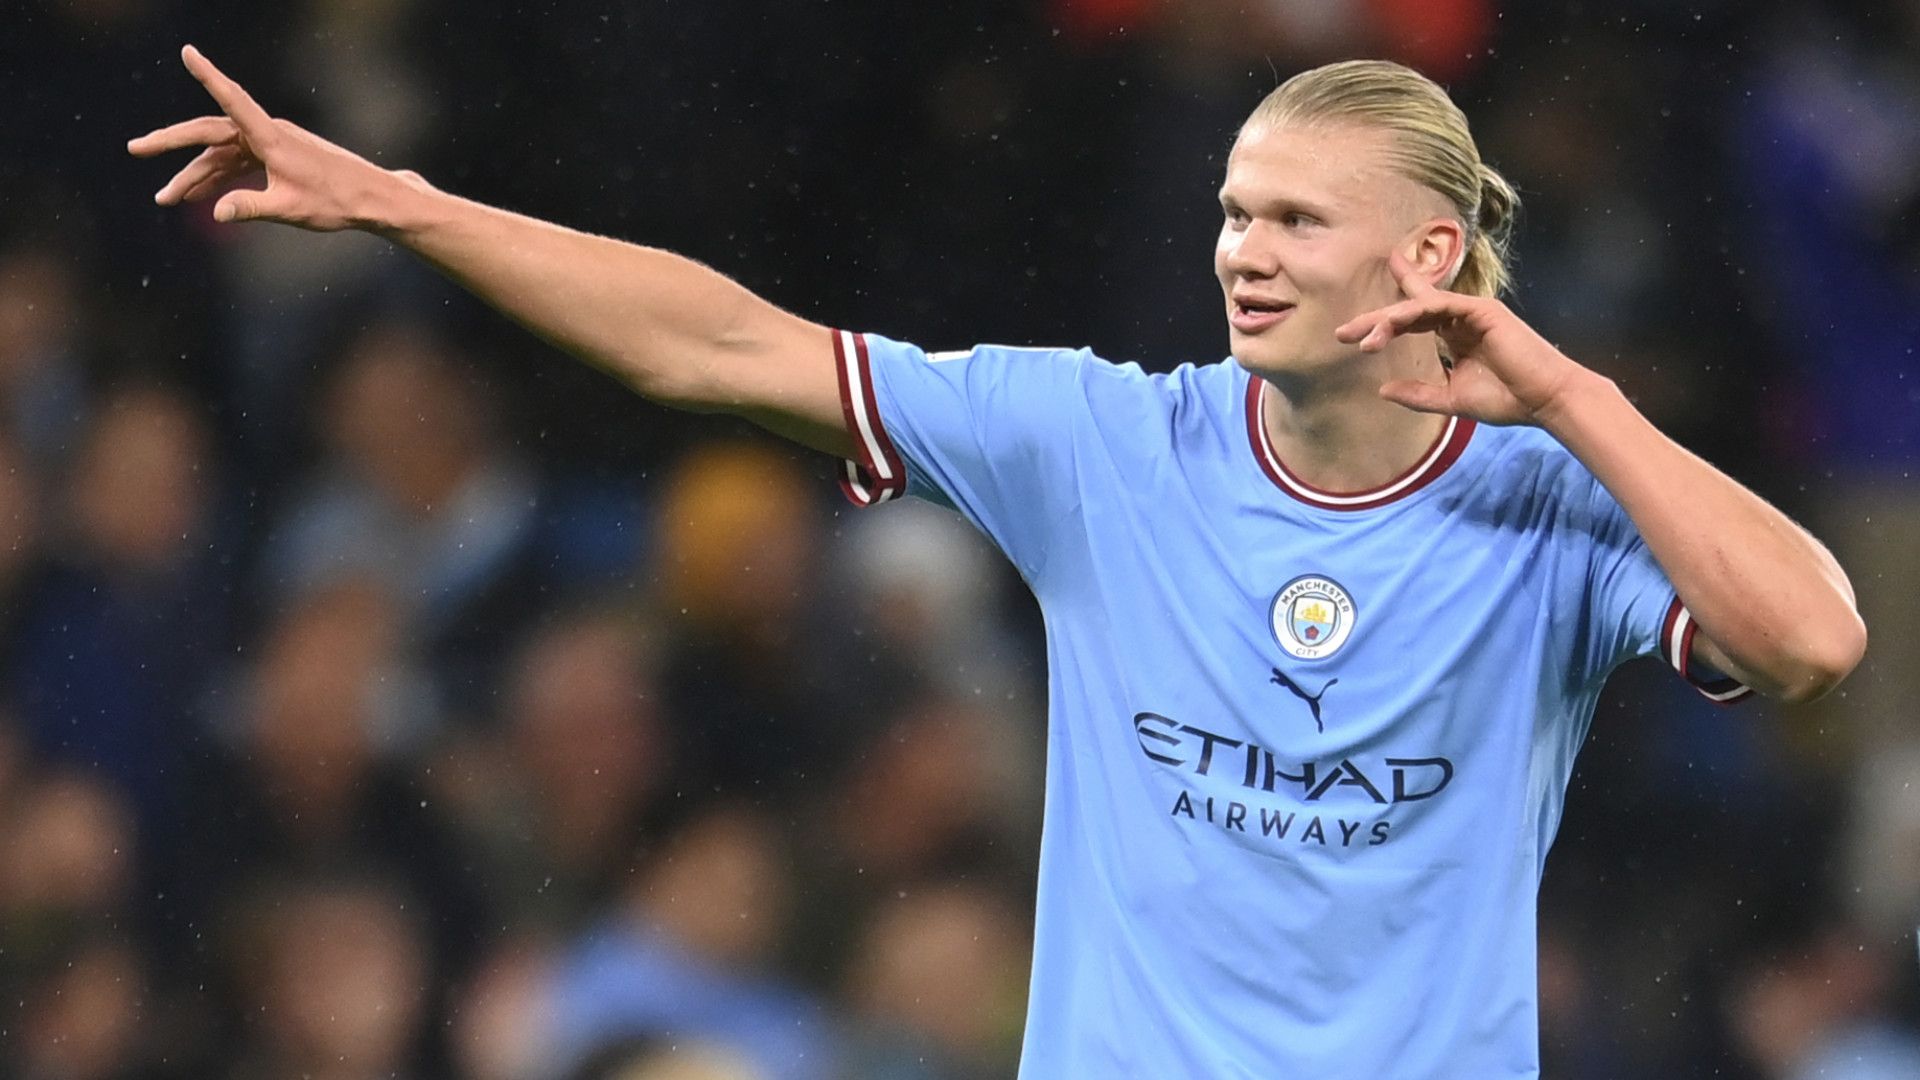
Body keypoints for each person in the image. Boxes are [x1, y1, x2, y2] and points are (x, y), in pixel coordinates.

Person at [129, 47, 1865, 1078]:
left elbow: (1811, 643)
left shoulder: (1551, 504)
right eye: (1233, 211)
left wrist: (1570, 397)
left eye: (1292, 219)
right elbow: (718, 346)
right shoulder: (1102, 444)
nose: (1242, 252)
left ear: (1425, 257)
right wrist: (409, 206)